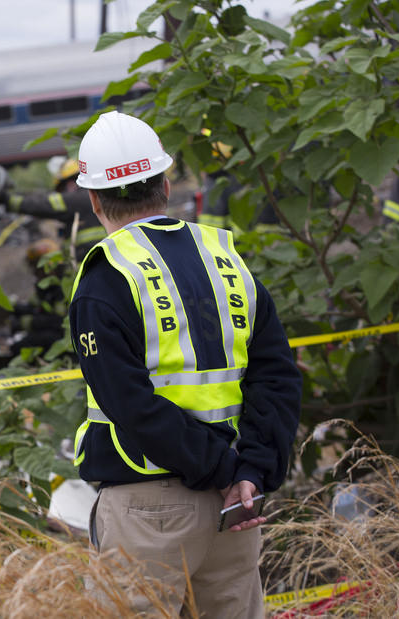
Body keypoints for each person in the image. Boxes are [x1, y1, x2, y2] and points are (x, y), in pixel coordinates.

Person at [67, 111, 301, 617]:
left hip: (147, 509)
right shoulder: (225, 259)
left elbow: (130, 403)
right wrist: (251, 473)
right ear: (166, 184)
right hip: (235, 503)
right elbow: (278, 376)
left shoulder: (106, 277)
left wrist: (221, 471)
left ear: (92, 200)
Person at [6, 158, 106, 261]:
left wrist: (9, 201)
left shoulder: (77, 198)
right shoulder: (96, 196)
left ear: (72, 182)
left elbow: (42, 205)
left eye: (62, 188)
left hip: (91, 264)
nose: (62, 193)